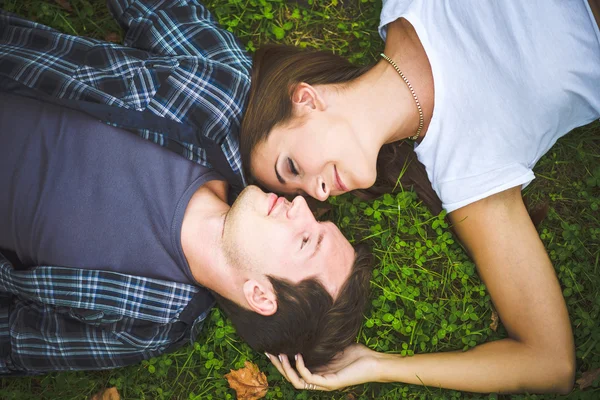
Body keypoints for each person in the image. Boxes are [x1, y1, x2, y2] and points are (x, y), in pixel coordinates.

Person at [241, 0, 600, 394]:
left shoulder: (406, 7)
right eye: (306, 193)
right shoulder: (466, 173)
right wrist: (378, 364)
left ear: (307, 99)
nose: (318, 191)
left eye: (292, 167)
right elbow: (549, 362)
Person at [0, 1, 373, 374]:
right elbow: (157, 9)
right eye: (316, 224)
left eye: (306, 240)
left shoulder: (147, 325)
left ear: (260, 295)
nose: (302, 208)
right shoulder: (227, 110)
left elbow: (13, 342)